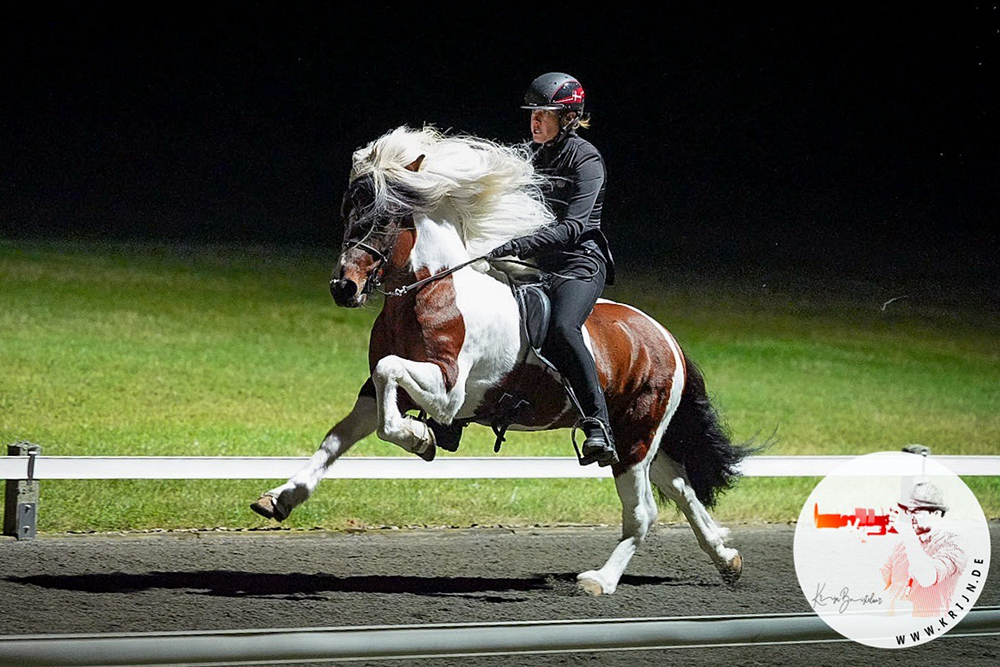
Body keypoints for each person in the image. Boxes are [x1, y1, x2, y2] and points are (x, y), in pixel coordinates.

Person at [483, 72, 618, 467]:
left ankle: (597, 423)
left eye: (544, 114)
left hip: (579, 263)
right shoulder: (531, 156)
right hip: (536, 265)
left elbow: (574, 226)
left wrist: (518, 245)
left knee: (561, 328)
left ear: (569, 117)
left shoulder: (586, 158)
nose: (535, 121)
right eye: (533, 113)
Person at [881, 481, 967, 617]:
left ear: (938, 513)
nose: (911, 517)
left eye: (917, 511)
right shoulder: (902, 545)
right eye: (908, 511)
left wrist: (909, 538)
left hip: (930, 628)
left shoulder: (954, 545)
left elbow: (927, 577)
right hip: (895, 625)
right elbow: (881, 581)